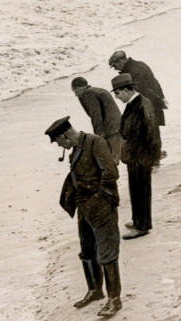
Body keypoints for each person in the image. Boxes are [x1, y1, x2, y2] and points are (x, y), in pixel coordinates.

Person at [44, 116, 122, 316]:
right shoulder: (75, 149)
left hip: (101, 208)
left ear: (65, 135)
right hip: (84, 208)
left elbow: (110, 173)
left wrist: (100, 200)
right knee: (87, 251)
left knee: (107, 253)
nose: (60, 145)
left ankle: (114, 299)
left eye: (59, 142)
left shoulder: (96, 142)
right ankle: (95, 290)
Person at [112, 73, 161, 238]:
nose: (117, 98)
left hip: (141, 156)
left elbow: (152, 133)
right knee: (136, 190)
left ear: (126, 90)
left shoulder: (141, 104)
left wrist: (151, 157)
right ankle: (138, 220)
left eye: (117, 93)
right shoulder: (135, 103)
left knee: (141, 191)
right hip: (135, 156)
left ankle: (142, 226)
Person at [71, 77, 123, 165]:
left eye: (74, 91)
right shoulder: (96, 90)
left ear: (77, 88)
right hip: (117, 126)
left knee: (110, 161)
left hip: (111, 130)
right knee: (114, 158)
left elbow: (96, 117)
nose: (75, 94)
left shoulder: (89, 94)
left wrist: (98, 137)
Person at [108, 51, 167, 127]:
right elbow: (154, 83)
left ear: (120, 62)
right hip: (154, 103)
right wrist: (161, 98)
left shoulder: (132, 73)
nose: (115, 69)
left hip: (149, 107)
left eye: (114, 66)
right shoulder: (140, 64)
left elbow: (143, 91)